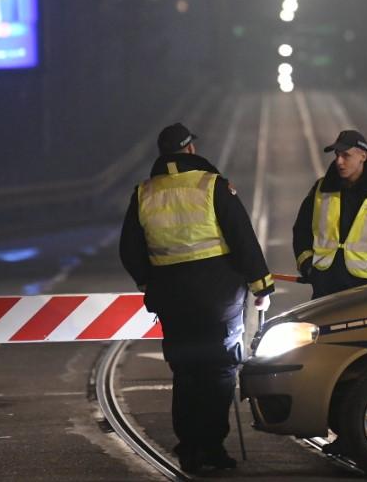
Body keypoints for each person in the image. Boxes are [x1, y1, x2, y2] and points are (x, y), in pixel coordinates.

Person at [119, 122, 274, 474]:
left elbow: (128, 249)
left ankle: (189, 448)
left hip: (173, 300)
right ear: (190, 150)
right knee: (219, 371)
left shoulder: (143, 192)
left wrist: (150, 281)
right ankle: (212, 447)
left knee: (186, 373)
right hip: (218, 298)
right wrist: (261, 285)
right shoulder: (212, 185)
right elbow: (242, 237)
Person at [291, 129, 367, 299]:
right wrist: (308, 268)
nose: (339, 162)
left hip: (365, 296)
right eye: (337, 155)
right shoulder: (321, 190)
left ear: (363, 156)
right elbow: (301, 232)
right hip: (324, 292)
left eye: (346, 156)